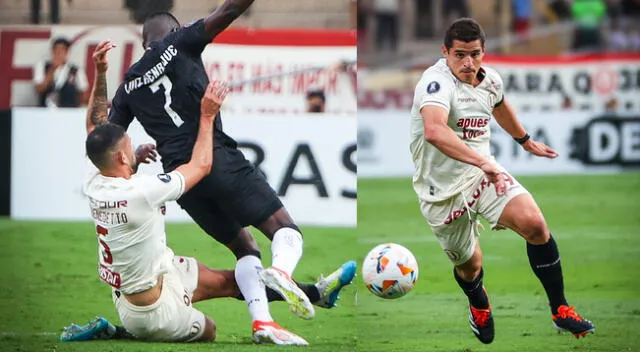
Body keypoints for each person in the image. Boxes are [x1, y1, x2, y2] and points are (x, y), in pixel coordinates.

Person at [74, 40, 355, 345]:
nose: (134, 149)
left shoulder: (94, 179)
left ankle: (317, 294)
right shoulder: (143, 190)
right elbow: (201, 164)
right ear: (120, 159)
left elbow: (95, 125)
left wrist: (101, 73)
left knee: (235, 279)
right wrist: (207, 115)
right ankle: (120, 333)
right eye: (131, 149)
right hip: (155, 311)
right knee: (209, 329)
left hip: (145, 285)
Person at [409, 18, 595, 344]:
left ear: (483, 51)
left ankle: (561, 309)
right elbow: (435, 131)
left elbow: (499, 104)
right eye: (460, 55)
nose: (468, 63)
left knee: (535, 225)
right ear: (445, 52)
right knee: (471, 267)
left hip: (483, 175)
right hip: (441, 193)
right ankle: (479, 303)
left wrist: (525, 140)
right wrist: (482, 160)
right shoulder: (435, 83)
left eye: (475, 54)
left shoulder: (490, 79)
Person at [33, 37, 89, 108]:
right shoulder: (42, 66)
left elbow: (84, 94)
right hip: (46, 112)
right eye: (56, 50)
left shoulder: (76, 70)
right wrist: (52, 69)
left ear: (67, 52)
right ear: (52, 51)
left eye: (62, 50)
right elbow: (39, 89)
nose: (58, 53)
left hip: (68, 112)